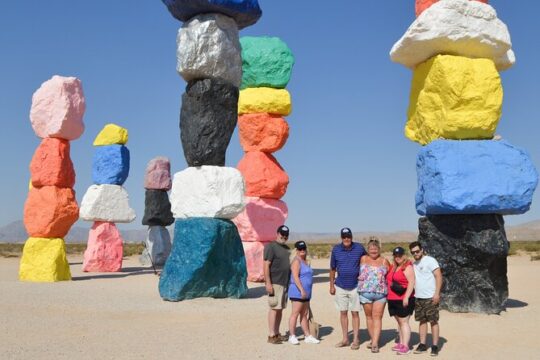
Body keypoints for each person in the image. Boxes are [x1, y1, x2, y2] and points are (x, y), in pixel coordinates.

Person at [329, 227, 366, 350]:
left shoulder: (359, 248)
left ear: (351, 237)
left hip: (355, 286)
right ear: (341, 237)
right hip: (340, 286)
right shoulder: (336, 249)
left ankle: (355, 339)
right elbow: (333, 268)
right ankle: (345, 338)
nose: (346, 239)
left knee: (355, 313)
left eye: (348, 236)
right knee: (343, 312)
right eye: (344, 237)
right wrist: (331, 286)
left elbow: (366, 261)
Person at [409, 241, 443, 357]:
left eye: (417, 251)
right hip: (418, 297)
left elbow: (438, 276)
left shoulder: (430, 260)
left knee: (433, 321)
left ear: (422, 250)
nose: (415, 254)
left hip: (430, 297)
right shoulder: (414, 264)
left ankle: (434, 346)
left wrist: (437, 294)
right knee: (422, 321)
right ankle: (422, 344)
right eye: (413, 252)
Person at [357, 237, 390, 353]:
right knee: (369, 317)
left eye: (375, 249)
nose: (373, 251)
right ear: (368, 249)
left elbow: (390, 276)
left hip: (380, 294)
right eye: (371, 249)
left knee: (377, 317)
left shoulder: (385, 261)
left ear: (379, 249)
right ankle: (372, 339)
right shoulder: (363, 259)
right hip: (365, 294)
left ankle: (375, 343)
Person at [287, 241, 320, 345]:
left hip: (306, 293)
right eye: (300, 249)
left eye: (304, 249)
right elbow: (295, 277)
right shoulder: (296, 261)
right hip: (297, 292)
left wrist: (306, 291)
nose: (302, 251)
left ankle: (307, 335)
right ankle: (292, 335)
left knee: (304, 314)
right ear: (296, 250)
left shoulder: (306, 261)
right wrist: (301, 289)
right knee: (295, 313)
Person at [264, 225, 291, 344]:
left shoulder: (286, 248)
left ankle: (277, 333)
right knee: (274, 308)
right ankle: (271, 335)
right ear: (277, 233)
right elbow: (266, 265)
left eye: (286, 235)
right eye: (282, 234)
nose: (283, 236)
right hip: (275, 283)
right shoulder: (271, 246)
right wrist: (268, 283)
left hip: (285, 283)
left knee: (280, 309)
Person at [386, 246, 415, 355]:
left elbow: (411, 282)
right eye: (396, 255)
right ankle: (401, 343)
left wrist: (406, 297)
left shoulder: (407, 267)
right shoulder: (394, 266)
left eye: (400, 255)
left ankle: (406, 346)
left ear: (404, 255)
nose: (398, 257)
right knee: (399, 322)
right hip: (393, 298)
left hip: (403, 299)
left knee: (404, 322)